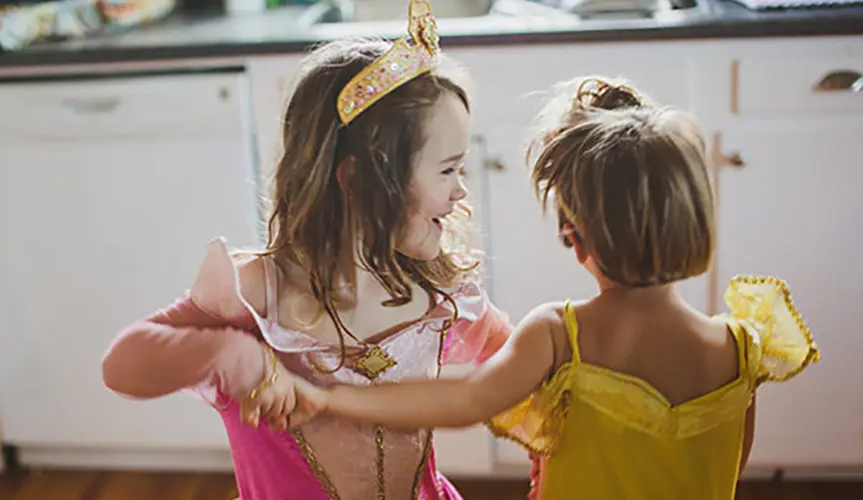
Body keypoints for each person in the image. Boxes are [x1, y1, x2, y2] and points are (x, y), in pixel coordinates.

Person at [283, 76, 821, 500]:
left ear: (572, 231)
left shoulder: (560, 335)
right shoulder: (744, 348)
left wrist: (334, 397)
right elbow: (728, 471)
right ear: (697, 219)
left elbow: (465, 399)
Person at [99, 1, 516, 498]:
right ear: (358, 179)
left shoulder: (439, 295)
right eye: (447, 170)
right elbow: (121, 366)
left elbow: (521, 361)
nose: (461, 192)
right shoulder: (256, 299)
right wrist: (236, 356)